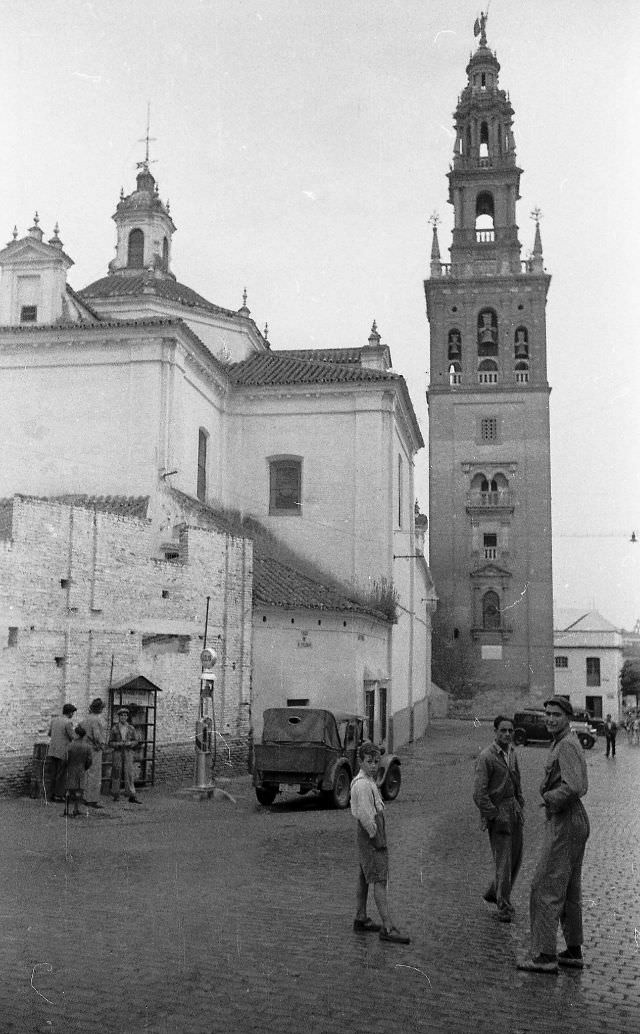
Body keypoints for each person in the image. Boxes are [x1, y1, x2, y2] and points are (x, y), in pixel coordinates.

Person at [518, 697, 589, 974]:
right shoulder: (563, 741)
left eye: (556, 715)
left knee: (544, 886)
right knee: (569, 889)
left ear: (567, 717)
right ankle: (573, 950)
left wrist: (549, 798)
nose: (550, 719)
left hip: (566, 819)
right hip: (572, 820)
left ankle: (545, 955)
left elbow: (575, 786)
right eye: (547, 714)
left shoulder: (566, 745)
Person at [350, 741, 410, 945]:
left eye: (376, 762)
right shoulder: (362, 785)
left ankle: (360, 917)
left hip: (368, 835)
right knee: (379, 879)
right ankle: (387, 927)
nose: (374, 766)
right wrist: (376, 838)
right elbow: (365, 816)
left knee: (364, 876)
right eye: (369, 762)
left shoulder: (368, 781)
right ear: (361, 762)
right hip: (371, 836)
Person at [473, 715, 525, 923]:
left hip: (514, 809)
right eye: (503, 730)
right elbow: (479, 793)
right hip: (499, 812)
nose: (507, 734)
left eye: (510, 731)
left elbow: (517, 779)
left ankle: (494, 891)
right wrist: (493, 814)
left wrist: (520, 803)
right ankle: (504, 906)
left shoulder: (512, 753)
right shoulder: (486, 757)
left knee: (516, 857)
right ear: (495, 732)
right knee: (504, 861)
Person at [109, 707, 141, 804]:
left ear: (127, 717)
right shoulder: (114, 728)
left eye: (125, 715)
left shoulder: (131, 728)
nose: (123, 717)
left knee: (129, 773)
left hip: (128, 752)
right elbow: (110, 742)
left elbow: (136, 741)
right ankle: (115, 794)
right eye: (121, 715)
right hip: (118, 752)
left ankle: (131, 795)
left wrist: (130, 743)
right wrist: (118, 744)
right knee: (116, 772)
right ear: (119, 717)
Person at [47, 703, 77, 801]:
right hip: (62, 752)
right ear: (70, 713)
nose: (73, 715)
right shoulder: (68, 722)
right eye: (72, 713)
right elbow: (73, 737)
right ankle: (59, 795)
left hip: (52, 750)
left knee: (53, 773)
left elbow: (49, 734)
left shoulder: (54, 720)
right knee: (61, 774)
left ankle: (51, 794)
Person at [64, 724, 93, 817]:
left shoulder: (70, 745)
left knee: (69, 790)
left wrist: (66, 766)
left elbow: (66, 759)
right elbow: (89, 761)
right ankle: (75, 809)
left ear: (77, 734)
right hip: (81, 770)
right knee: (78, 790)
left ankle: (66, 810)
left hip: (71, 769)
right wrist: (85, 767)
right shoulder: (87, 746)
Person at [84, 697, 108, 808]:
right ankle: (92, 799)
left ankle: (85, 797)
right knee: (95, 774)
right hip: (94, 749)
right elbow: (97, 735)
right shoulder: (96, 720)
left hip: (86, 747)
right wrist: (102, 745)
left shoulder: (86, 718)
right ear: (99, 708)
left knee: (87, 772)